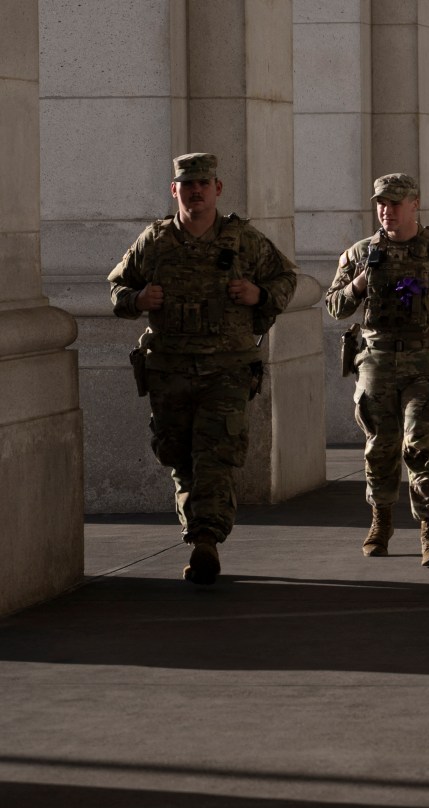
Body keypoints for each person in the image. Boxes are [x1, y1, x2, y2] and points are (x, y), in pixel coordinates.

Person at [108, 153, 297, 585]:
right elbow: (117, 288)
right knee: (179, 458)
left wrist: (258, 295)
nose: (196, 191)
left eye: (203, 183)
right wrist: (138, 300)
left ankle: (206, 538)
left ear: (217, 188)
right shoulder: (154, 241)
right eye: (188, 184)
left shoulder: (243, 240)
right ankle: (198, 532)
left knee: (216, 455)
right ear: (174, 190)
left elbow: (287, 279)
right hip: (169, 370)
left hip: (226, 370)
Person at [325, 173, 429, 565]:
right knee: (380, 448)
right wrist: (359, 283)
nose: (386, 210)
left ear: (414, 204)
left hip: (425, 363)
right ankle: (381, 522)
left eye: (394, 203)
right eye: (381, 203)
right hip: (377, 361)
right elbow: (335, 306)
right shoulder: (361, 252)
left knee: (422, 445)